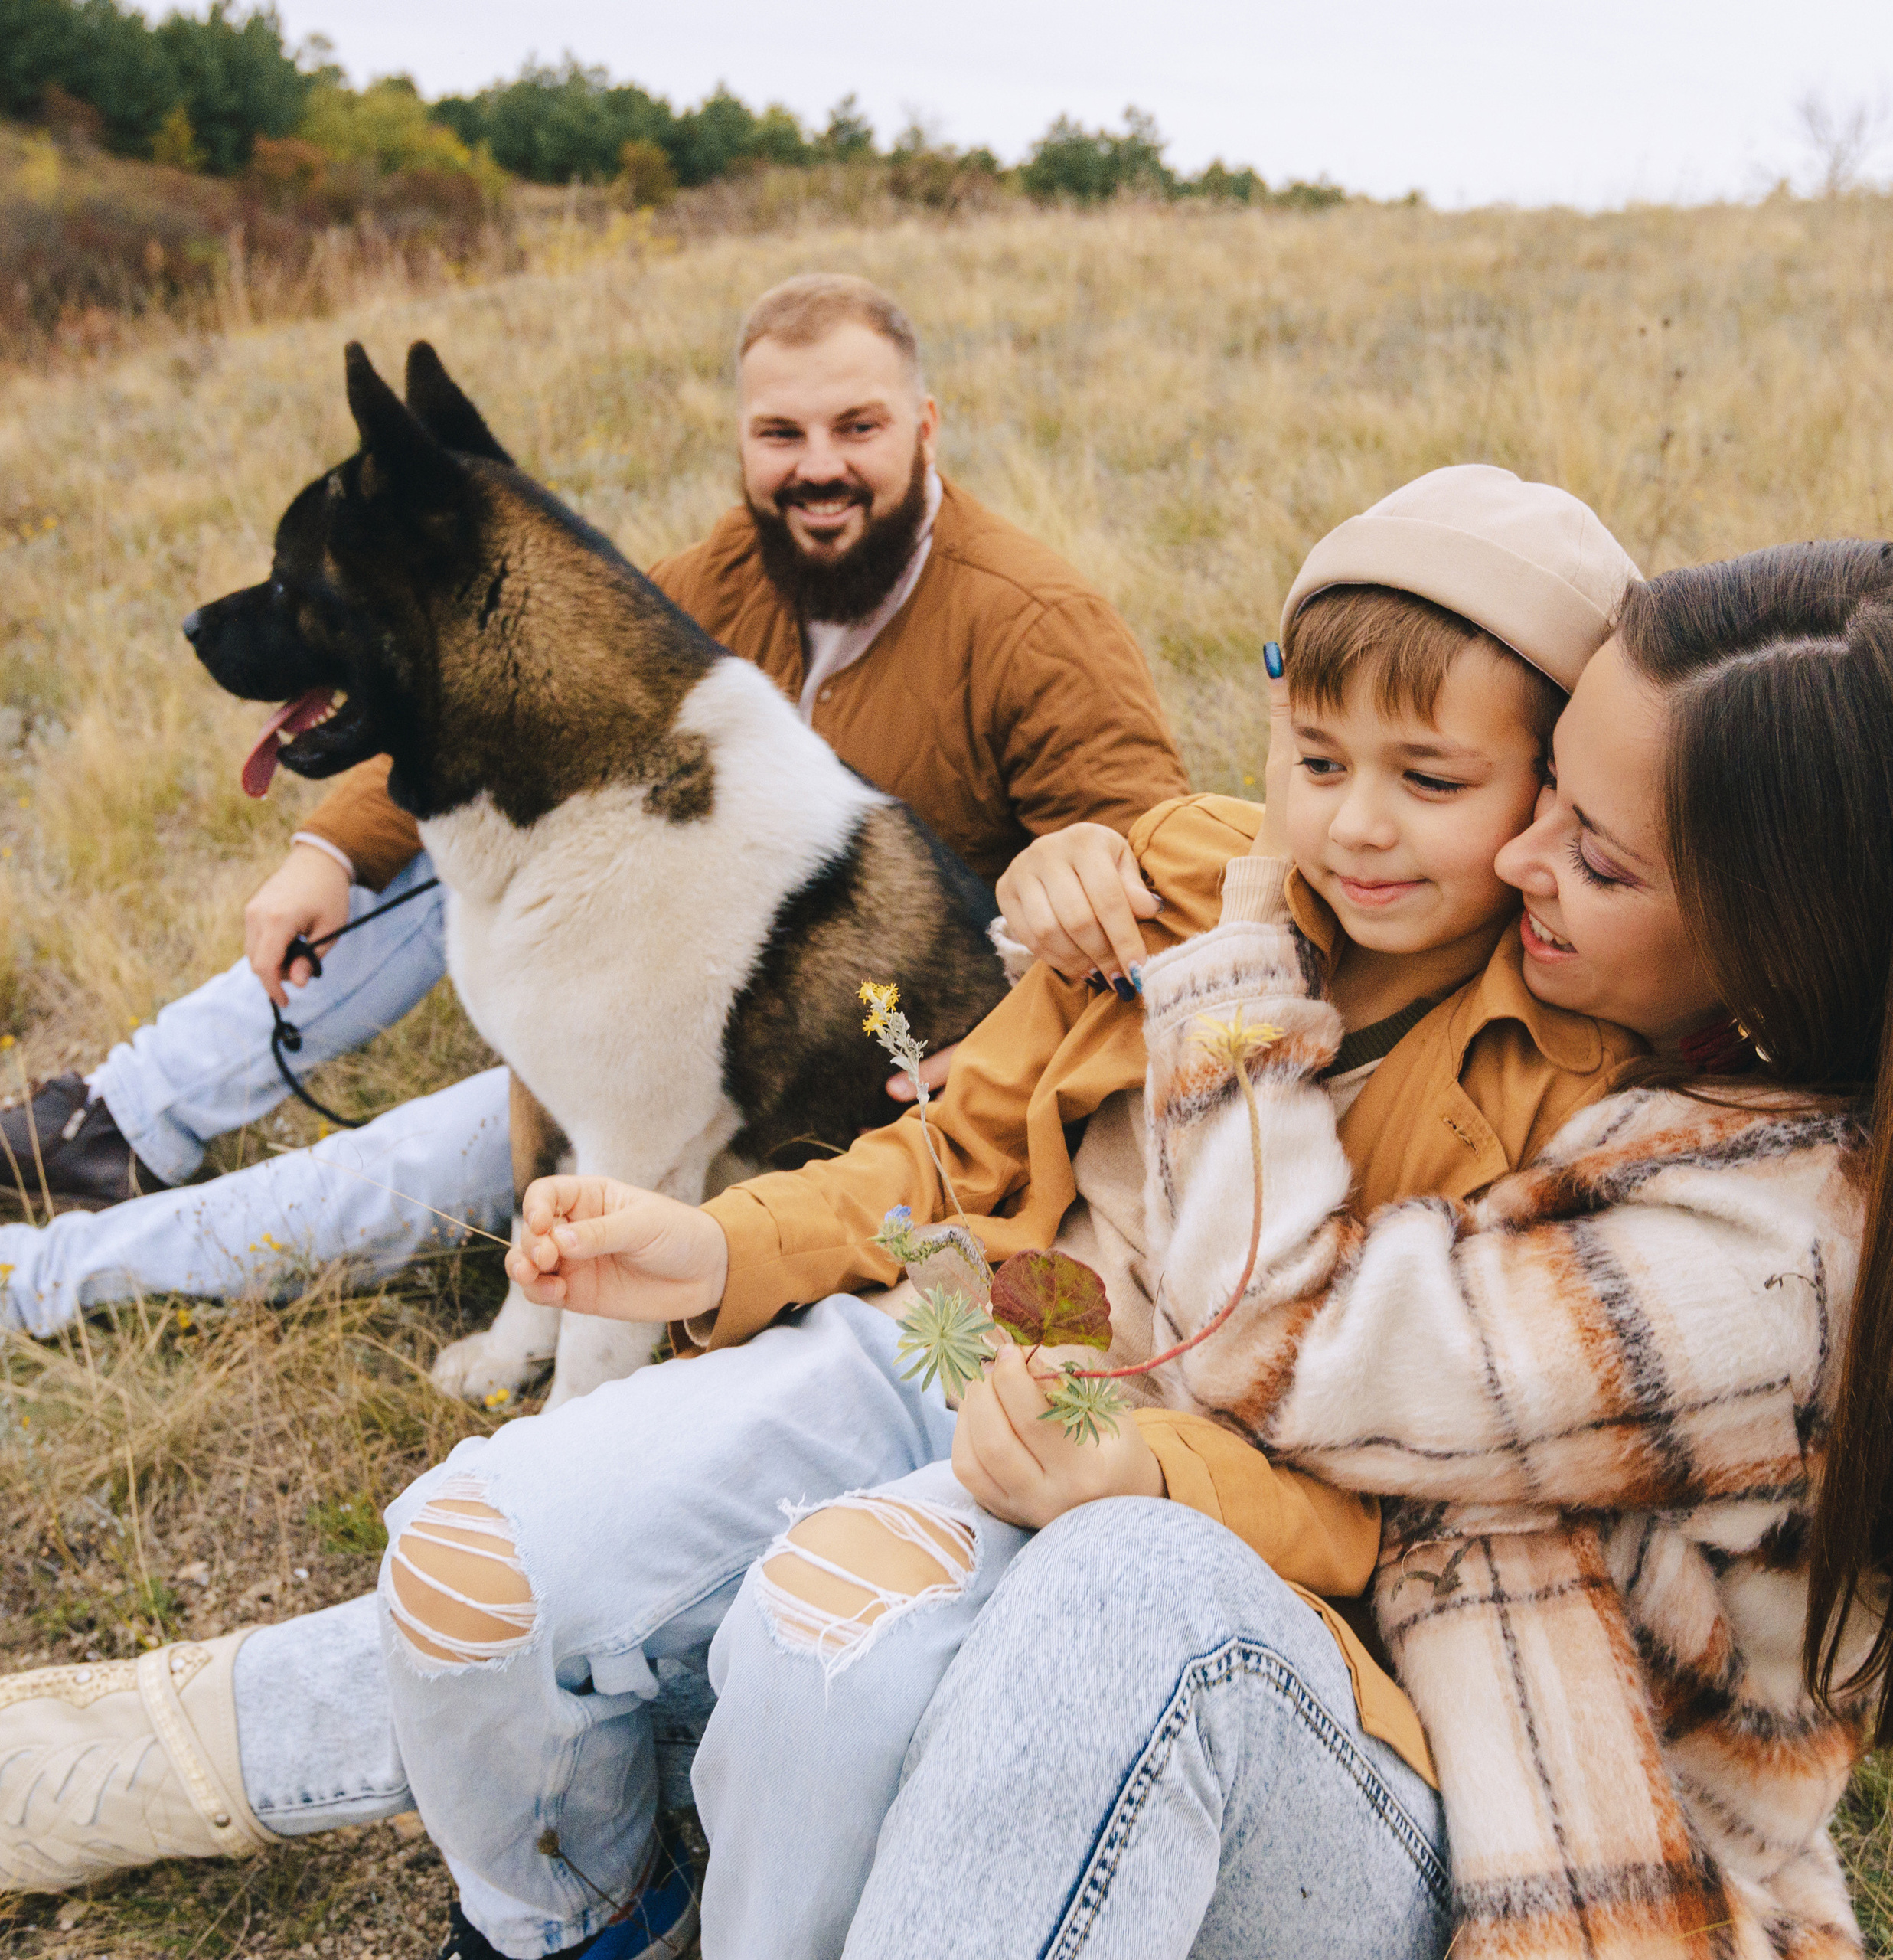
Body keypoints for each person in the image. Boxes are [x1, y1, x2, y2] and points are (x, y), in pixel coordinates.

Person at [0, 468, 1641, 1960]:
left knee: (820, 1654)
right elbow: (952, 1153)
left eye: (1431, 778)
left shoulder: (1563, 1091)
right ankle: (584, 1917)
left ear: (1555, 788)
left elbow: (1421, 1496)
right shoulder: (1188, 866)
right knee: (463, 1551)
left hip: (1155, 1497)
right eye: (1318, 758)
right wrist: (725, 1245)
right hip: (963, 1326)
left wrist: (1137, 1467)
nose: (1354, 822)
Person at [824, 538, 1893, 1960]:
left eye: (1597, 856)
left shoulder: (1780, 1271)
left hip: (1572, 1888)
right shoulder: (1728, 1069)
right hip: (1422, 1725)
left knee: (1134, 1591)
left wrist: (1244, 932)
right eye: (1549, 789)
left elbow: (1274, 1337)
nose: (1522, 855)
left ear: (1789, 942)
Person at [0, 272, 1187, 1334]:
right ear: (743, 442)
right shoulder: (720, 575)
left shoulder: (1033, 623)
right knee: (430, 855)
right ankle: (121, 1118)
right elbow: (485, 700)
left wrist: (1022, 1050)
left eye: (857, 428)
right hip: (637, 966)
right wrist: (329, 848)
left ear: (925, 428)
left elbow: (1166, 875)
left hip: (783, 1069)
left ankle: (48, 1276)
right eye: (781, 433)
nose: (817, 466)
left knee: (405, 1161)